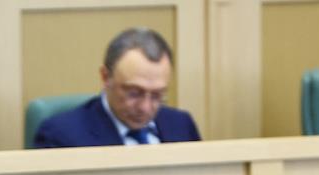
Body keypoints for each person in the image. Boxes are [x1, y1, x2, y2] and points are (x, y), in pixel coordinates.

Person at [33, 27, 200, 149]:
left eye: (157, 95)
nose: (145, 107)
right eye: (134, 93)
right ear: (105, 77)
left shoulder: (182, 125)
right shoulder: (60, 136)